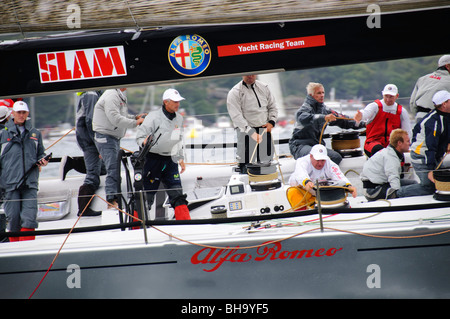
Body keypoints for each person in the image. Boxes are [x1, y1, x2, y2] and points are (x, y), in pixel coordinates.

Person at [136, 88, 190, 220]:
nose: (178, 104)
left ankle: (186, 225)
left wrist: (181, 158)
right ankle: (136, 227)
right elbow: (139, 137)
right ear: (166, 102)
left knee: (178, 194)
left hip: (171, 161)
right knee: (146, 196)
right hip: (152, 161)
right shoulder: (153, 117)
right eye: (175, 101)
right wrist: (144, 142)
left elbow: (178, 140)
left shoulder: (179, 118)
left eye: (179, 101)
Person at [0, 101, 48, 241]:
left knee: (29, 218)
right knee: (13, 220)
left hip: (30, 182)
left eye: (23, 112)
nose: (21, 115)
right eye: (18, 112)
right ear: (13, 114)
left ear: (27, 114)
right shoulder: (3, 134)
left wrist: (43, 159)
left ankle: (27, 248)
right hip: (10, 183)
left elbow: (40, 153)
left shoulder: (35, 133)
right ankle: (15, 249)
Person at [93, 88, 146, 208]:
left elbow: (121, 115)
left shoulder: (117, 95)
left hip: (112, 137)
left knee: (114, 169)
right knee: (113, 169)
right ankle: (111, 202)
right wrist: (136, 123)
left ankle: (114, 200)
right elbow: (115, 118)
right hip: (106, 137)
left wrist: (135, 117)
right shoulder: (112, 95)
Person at [289, 82, 364, 165]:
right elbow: (302, 118)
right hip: (299, 146)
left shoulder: (325, 110)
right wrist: (323, 118)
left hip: (316, 146)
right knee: (316, 156)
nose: (322, 95)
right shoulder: (305, 108)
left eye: (323, 92)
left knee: (336, 157)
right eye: (318, 93)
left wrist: (362, 124)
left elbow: (343, 120)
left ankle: (323, 177)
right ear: (311, 95)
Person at [226, 74, 278, 173]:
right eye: (247, 74)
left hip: (264, 128)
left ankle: (266, 182)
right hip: (245, 131)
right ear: (242, 74)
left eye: (253, 74)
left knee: (266, 162)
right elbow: (236, 116)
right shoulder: (234, 92)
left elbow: (273, 106)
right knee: (245, 164)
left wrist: (271, 122)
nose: (250, 76)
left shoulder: (264, 87)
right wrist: (251, 132)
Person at [408, 90, 450, 196]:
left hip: (435, 155)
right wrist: (431, 170)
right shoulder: (432, 122)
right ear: (444, 104)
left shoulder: (447, 116)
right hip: (421, 156)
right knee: (429, 187)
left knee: (441, 183)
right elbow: (430, 148)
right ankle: (397, 192)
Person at [354, 84, 412, 157]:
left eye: (391, 97)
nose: (388, 100)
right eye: (386, 96)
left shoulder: (402, 112)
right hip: (373, 143)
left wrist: (407, 145)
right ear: (382, 94)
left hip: (392, 144)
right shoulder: (375, 106)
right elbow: (366, 113)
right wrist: (360, 116)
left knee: (398, 155)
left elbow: (407, 132)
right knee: (380, 150)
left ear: (397, 96)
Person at [360, 129, 418, 201]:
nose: (409, 143)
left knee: (413, 184)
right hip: (373, 191)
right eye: (407, 141)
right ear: (399, 143)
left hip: (380, 185)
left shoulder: (390, 153)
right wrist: (398, 196)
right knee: (411, 189)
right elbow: (393, 177)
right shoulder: (390, 157)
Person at [288, 144, 357, 198]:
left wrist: (348, 186)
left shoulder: (329, 163)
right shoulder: (302, 161)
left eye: (323, 160)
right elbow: (301, 173)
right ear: (311, 156)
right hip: (301, 192)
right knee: (293, 192)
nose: (320, 163)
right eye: (317, 160)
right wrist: (306, 182)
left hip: (318, 195)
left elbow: (339, 175)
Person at [75, 91, 103, 216]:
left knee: (103, 169)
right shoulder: (91, 94)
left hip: (87, 139)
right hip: (90, 141)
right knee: (92, 176)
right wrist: (99, 144)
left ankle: (71, 163)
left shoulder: (90, 94)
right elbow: (90, 120)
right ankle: (83, 210)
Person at [410, 54, 450, 123]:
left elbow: (412, 103)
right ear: (447, 66)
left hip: (420, 117)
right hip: (439, 119)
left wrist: (418, 116)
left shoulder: (422, 79)